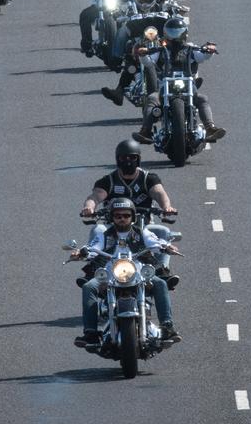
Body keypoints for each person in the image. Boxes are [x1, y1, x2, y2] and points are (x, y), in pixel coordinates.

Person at [71, 198, 181, 347]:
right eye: (118, 216)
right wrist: (81, 253)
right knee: (89, 287)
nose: (122, 218)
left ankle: (167, 327)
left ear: (133, 217)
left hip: (138, 272)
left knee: (160, 283)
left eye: (126, 215)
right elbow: (92, 247)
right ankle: (90, 333)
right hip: (111, 274)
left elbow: (155, 242)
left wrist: (167, 246)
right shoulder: (104, 235)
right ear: (112, 217)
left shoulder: (142, 233)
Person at [79, 138, 179, 286]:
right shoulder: (108, 180)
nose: (128, 161)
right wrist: (89, 207)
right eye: (123, 158)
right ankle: (93, 273)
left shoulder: (148, 178)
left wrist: (167, 207)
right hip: (113, 226)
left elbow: (159, 193)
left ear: (138, 159)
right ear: (117, 159)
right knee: (97, 229)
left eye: (132, 157)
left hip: (143, 225)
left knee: (163, 231)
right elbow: (95, 196)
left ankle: (163, 272)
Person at [134, 16, 226, 145]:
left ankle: (210, 128)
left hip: (188, 87)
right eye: (172, 33)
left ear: (184, 33)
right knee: (152, 99)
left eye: (178, 32)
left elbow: (202, 56)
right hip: (164, 88)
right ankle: (145, 131)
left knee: (202, 98)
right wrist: (143, 55)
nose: (175, 36)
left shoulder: (190, 48)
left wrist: (209, 50)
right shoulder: (160, 50)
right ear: (166, 34)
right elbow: (149, 62)